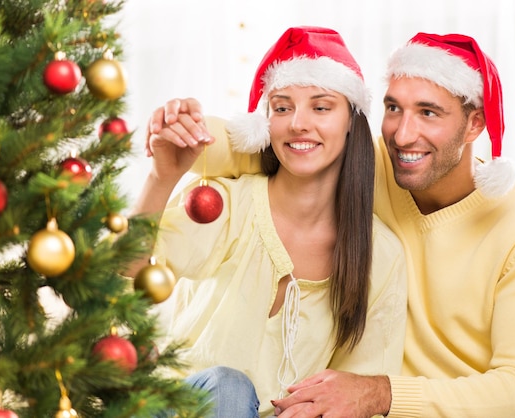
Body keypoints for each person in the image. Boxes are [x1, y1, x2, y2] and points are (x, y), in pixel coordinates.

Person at [146, 32, 515, 418]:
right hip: (322, 403)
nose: (404, 135)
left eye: (428, 113)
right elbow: (283, 145)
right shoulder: (379, 162)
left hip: (398, 405)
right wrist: (183, 133)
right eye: (393, 109)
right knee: (229, 389)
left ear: (474, 123)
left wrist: (382, 394)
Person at [128, 26, 407, 418]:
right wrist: (162, 177)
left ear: (351, 119)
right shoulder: (226, 204)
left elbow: (358, 393)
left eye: (321, 107)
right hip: (180, 408)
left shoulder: (382, 255)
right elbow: (127, 270)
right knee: (228, 386)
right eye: (281, 107)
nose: (298, 123)